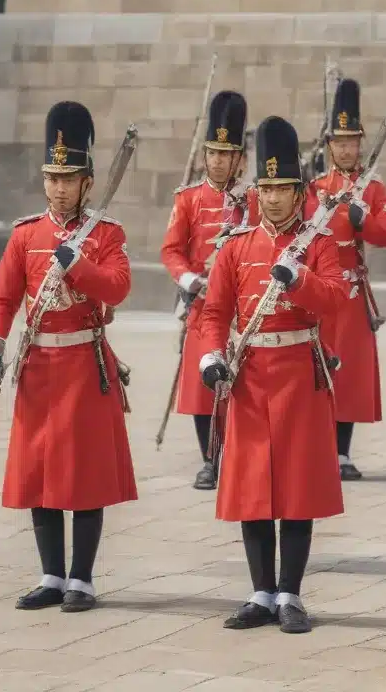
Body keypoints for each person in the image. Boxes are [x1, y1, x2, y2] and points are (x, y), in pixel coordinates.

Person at [0, 101, 135, 612]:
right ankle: (50, 575)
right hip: (40, 367)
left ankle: (82, 580)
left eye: (69, 178)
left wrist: (79, 265)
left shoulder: (107, 235)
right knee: (40, 472)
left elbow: (118, 286)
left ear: (88, 181)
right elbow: (3, 298)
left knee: (85, 475)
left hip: (86, 367)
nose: (59, 187)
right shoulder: (26, 235)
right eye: (53, 177)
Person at [198, 116, 346, 634]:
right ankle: (261, 591)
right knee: (255, 485)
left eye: (284, 189)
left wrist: (299, 278)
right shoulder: (236, 246)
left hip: (300, 376)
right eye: (267, 188)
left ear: (301, 191)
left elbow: (335, 299)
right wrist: (213, 356)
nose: (275, 199)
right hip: (252, 376)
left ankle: (292, 594)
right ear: (255, 189)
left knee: (297, 488)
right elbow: (215, 311)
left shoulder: (318, 243)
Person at [161, 91, 252, 490]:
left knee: (241, 386)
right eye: (212, 153)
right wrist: (188, 280)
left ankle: (237, 453)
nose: (217, 160)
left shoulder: (253, 200)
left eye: (225, 153)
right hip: (201, 304)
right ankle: (209, 458)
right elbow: (171, 251)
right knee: (203, 387)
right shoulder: (188, 199)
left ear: (239, 158)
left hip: (243, 308)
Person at [311, 78, 386, 481]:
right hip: (321, 288)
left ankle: (342, 451)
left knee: (350, 374)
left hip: (353, 291)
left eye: (352, 141)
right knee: (319, 367)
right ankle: (318, 444)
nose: (346, 148)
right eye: (339, 142)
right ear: (329, 145)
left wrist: (364, 219)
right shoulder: (314, 188)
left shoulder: (372, 188)